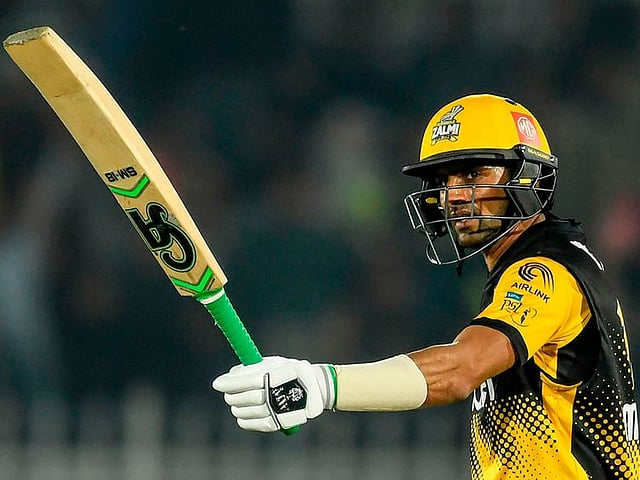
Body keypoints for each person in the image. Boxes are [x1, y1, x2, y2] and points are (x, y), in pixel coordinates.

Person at [212, 93, 640, 478]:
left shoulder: (546, 272)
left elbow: (460, 369)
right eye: (444, 180)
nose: (454, 195)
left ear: (527, 176)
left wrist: (321, 385)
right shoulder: (546, 263)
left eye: (473, 174)